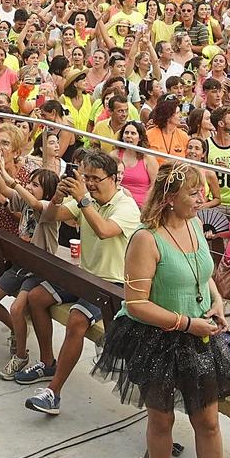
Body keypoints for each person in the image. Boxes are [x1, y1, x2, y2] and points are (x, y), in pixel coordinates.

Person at [93, 164, 230, 458]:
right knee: (161, 420)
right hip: (159, 338)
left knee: (207, 421)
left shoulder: (193, 225)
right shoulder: (147, 238)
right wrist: (186, 323)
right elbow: (135, 303)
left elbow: (202, 274)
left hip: (198, 333)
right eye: (194, 193)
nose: (201, 200)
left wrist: (219, 303)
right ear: (170, 197)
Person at [22, 149, 142, 415]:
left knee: (77, 320)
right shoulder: (86, 199)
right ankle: (47, 362)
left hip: (112, 284)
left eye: (95, 178)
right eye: (85, 176)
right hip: (86, 275)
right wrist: (56, 197)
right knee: (35, 297)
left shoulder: (126, 206)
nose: (89, 183)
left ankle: (53, 392)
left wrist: (82, 199)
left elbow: (104, 231)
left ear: (114, 179)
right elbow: (51, 216)